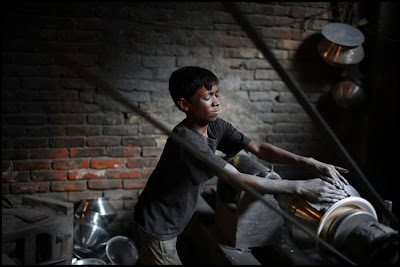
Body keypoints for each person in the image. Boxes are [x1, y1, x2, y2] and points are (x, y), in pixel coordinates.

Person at [133, 66, 349, 265]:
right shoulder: (187, 140)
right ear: (184, 104)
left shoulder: (216, 127)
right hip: (159, 223)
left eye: (216, 94)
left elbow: (258, 148)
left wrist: (306, 161)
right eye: (207, 97)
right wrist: (299, 187)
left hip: (173, 216)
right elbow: (235, 178)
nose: (216, 102)